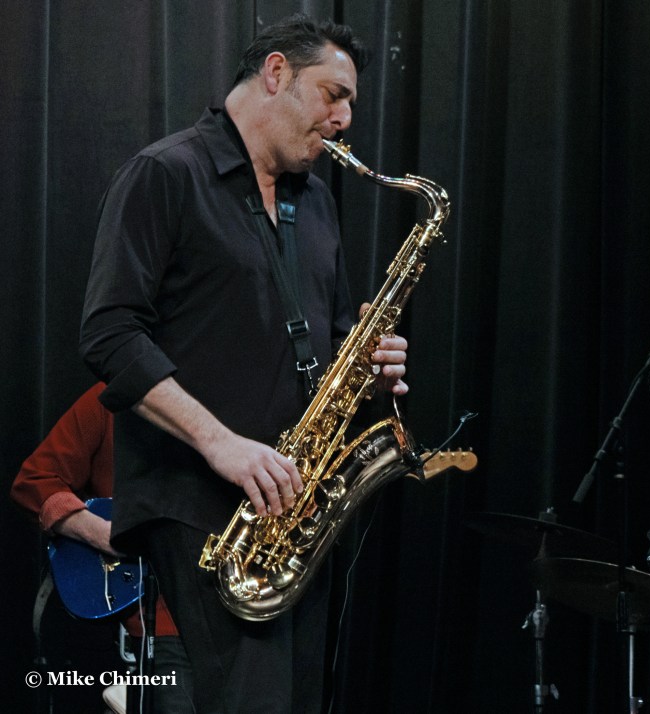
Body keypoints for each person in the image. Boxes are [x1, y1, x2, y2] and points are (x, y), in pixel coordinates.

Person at [79, 14, 409, 713]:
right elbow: (109, 333)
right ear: (277, 73)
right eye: (334, 95)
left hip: (293, 508)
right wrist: (219, 442)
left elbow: (334, 333)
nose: (345, 120)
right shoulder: (165, 174)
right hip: (203, 505)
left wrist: (369, 365)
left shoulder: (315, 201)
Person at [11, 382, 189, 713]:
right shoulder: (112, 395)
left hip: (249, 618)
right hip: (168, 625)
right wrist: (105, 535)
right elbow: (34, 482)